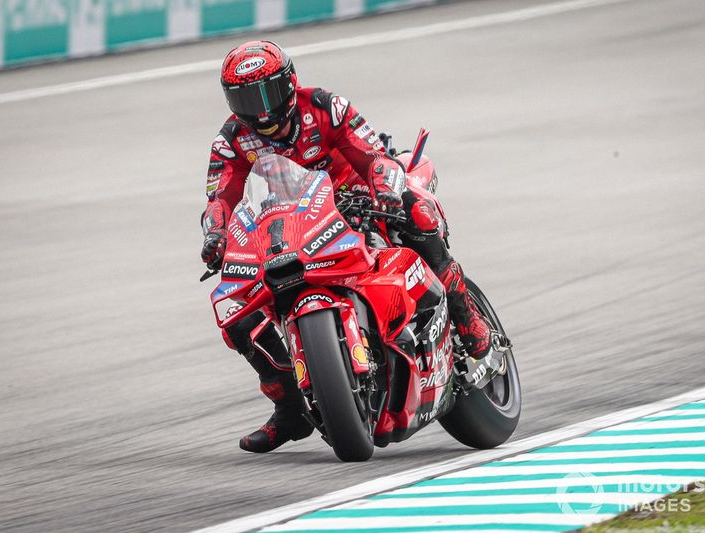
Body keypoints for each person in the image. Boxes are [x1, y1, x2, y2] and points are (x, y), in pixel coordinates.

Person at [200, 40, 492, 453]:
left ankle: (467, 319)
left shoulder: (324, 105)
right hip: (287, 226)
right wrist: (215, 236)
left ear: (289, 83)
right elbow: (220, 198)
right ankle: (290, 408)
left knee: (417, 212)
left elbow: (369, 152)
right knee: (233, 308)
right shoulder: (231, 139)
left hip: (355, 200)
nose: (260, 109)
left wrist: (384, 185)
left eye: (266, 92)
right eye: (246, 97)